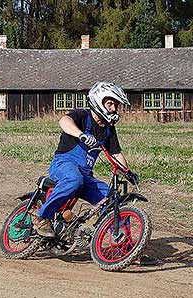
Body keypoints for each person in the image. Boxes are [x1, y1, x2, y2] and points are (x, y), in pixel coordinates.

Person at [33, 81, 138, 238]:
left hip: (85, 175)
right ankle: (42, 217)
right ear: (98, 100)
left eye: (116, 105)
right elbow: (64, 121)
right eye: (110, 104)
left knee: (114, 200)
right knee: (74, 180)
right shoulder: (82, 115)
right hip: (63, 164)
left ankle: (126, 246)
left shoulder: (108, 130)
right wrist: (81, 134)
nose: (114, 109)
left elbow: (116, 154)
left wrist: (128, 172)